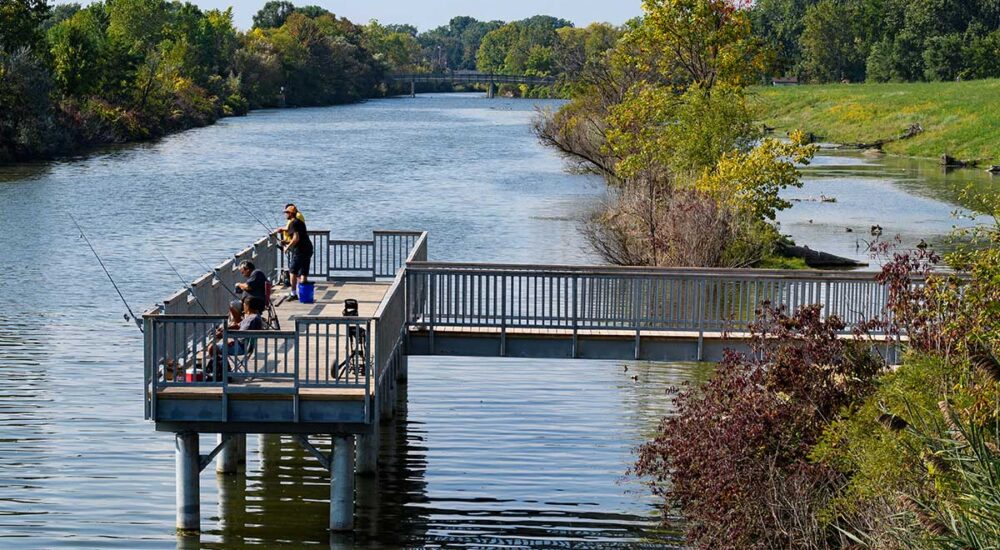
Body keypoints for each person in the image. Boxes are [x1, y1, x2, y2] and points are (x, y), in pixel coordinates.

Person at [281, 204, 313, 300]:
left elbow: (296, 238)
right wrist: (287, 242)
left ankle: (293, 293)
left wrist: (287, 247)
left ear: (291, 213)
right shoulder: (299, 222)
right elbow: (300, 237)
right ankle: (304, 295)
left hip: (300, 250)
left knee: (293, 271)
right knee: (303, 272)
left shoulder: (293, 223)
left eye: (286, 213)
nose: (285, 214)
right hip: (308, 248)